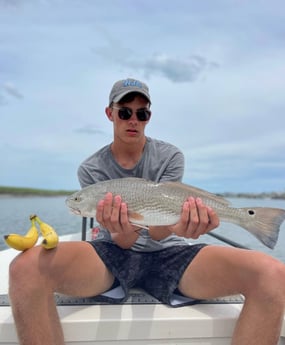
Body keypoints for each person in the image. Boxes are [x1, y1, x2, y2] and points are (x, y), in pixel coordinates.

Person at [8, 78, 285, 345]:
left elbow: (160, 232)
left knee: (273, 273)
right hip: (111, 252)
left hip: (170, 251)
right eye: (125, 111)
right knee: (25, 268)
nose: (133, 120)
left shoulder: (170, 155)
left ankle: (249, 219)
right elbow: (123, 241)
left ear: (148, 116)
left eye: (142, 114)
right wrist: (119, 227)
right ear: (110, 113)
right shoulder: (91, 168)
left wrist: (183, 226)